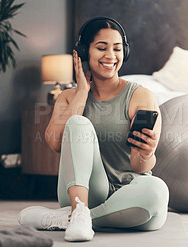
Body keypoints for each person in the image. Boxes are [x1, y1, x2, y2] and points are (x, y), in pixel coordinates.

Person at [17, 17, 169, 242]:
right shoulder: (69, 97)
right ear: (83, 52)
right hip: (87, 192)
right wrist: (81, 93)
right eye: (101, 48)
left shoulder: (140, 95)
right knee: (78, 123)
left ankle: (70, 219)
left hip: (133, 196)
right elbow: (55, 143)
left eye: (117, 49)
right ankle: (78, 210)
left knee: (157, 190)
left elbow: (139, 166)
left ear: (124, 53)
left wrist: (147, 153)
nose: (110, 56)